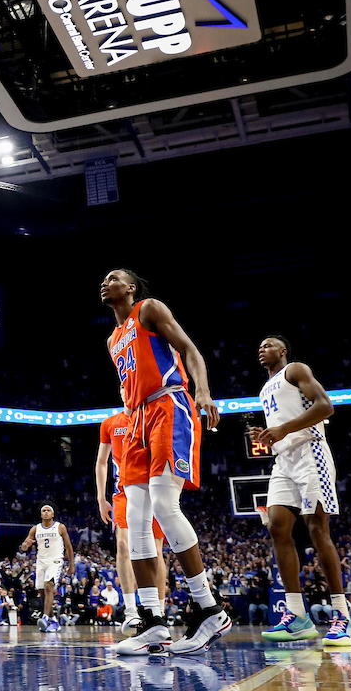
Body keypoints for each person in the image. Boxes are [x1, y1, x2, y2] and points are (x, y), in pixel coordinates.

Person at [101, 269, 231, 655]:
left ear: (131, 288)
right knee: (137, 523)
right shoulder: (112, 338)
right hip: (136, 418)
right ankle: (154, 622)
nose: (104, 282)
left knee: (163, 504)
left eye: (113, 278)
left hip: (168, 405)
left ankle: (209, 607)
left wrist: (204, 392)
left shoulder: (148, 309)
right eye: (102, 279)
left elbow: (191, 349)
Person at [251, 336, 351, 646]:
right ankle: (297, 616)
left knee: (316, 530)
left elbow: (326, 407)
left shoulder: (295, 370)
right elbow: (282, 423)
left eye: (268, 344)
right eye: (260, 345)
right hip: (283, 459)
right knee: (277, 527)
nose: (262, 348)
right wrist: (271, 434)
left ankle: (342, 616)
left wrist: (284, 429)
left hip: (311, 454)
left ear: (283, 351)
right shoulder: (263, 390)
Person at [96, 389, 167, 632]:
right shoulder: (110, 423)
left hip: (154, 489)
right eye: (124, 387)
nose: (128, 391)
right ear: (120, 392)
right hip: (123, 492)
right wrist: (100, 497)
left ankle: (158, 611)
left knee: (156, 551)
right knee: (123, 545)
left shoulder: (151, 417)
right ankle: (130, 611)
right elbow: (102, 462)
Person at [17, 505, 74, 633]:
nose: (46, 512)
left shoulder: (60, 527)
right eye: (44, 511)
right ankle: (54, 621)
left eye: (48, 510)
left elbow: (69, 546)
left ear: (52, 514)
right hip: (41, 562)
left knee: (49, 586)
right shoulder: (35, 529)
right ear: (41, 514)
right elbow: (24, 548)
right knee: (42, 592)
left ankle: (45, 617)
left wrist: (72, 565)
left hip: (55, 560)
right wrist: (26, 544)